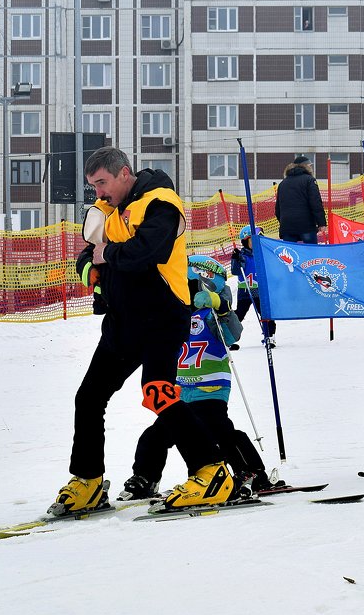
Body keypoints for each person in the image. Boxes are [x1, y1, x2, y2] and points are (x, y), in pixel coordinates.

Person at [54, 147, 231, 515]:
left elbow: (149, 250)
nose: (98, 193)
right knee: (88, 398)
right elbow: (89, 252)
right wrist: (90, 267)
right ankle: (87, 481)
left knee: (158, 392)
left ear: (124, 173)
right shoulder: (108, 211)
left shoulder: (160, 202)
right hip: (123, 321)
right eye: (93, 186)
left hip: (163, 315)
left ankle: (211, 472)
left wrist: (106, 255)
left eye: (102, 183)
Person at [118, 256, 280, 502]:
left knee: (219, 430)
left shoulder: (210, 315)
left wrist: (221, 307)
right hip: (181, 393)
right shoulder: (174, 316)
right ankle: (145, 478)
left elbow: (233, 334)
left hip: (211, 389)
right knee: (155, 435)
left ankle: (252, 473)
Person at [230, 224, 275, 348]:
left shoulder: (263, 256)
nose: (256, 244)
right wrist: (235, 259)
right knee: (239, 314)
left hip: (259, 290)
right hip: (245, 291)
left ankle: (270, 336)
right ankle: (228, 337)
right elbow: (236, 271)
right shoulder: (243, 256)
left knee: (265, 313)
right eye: (252, 241)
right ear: (245, 242)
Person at [274, 155, 327, 244]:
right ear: (305, 166)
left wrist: (284, 222)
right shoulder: (309, 180)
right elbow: (315, 203)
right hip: (306, 226)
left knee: (291, 254)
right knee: (311, 253)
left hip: (287, 227)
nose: (311, 167)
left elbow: (278, 209)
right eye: (310, 165)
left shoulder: (283, 183)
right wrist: (321, 223)